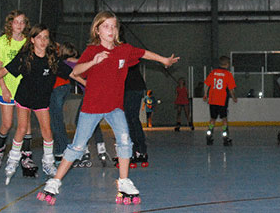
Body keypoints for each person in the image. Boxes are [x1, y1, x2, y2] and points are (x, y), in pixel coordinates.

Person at [38, 11, 179, 205]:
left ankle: (124, 181)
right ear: (97, 30)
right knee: (77, 147)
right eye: (106, 26)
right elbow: (76, 71)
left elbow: (143, 53)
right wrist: (93, 62)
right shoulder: (91, 51)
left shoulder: (124, 50)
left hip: (114, 107)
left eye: (113, 26)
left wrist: (163, 60)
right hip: (92, 107)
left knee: (125, 142)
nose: (111, 30)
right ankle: (54, 183)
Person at [0, 24, 66, 184]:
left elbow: (71, 72)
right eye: (39, 37)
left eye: (45, 38)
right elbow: (3, 69)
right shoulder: (19, 53)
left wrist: (88, 83)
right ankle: (9, 159)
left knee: (44, 130)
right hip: (21, 95)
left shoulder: (50, 57)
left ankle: (45, 162)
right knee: (17, 127)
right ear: (32, 39)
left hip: (39, 98)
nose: (42, 41)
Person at [0, 10, 35, 177]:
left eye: (22, 22)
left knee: (25, 124)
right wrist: (4, 87)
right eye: (16, 22)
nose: (19, 25)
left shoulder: (27, 43)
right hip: (7, 88)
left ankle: (27, 156)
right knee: (7, 124)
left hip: (24, 88)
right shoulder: (3, 41)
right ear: (10, 24)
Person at [61, 42, 109, 168]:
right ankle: (101, 148)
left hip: (90, 93)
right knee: (93, 122)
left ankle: (84, 151)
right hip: (98, 92)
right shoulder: (81, 61)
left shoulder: (66, 64)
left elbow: (75, 75)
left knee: (80, 121)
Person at [204, 56, 237, 146]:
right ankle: (225, 137)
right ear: (227, 64)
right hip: (222, 100)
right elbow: (231, 89)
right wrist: (234, 97)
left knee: (212, 119)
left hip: (213, 100)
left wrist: (205, 95)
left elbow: (207, 85)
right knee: (224, 119)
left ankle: (209, 134)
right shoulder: (228, 74)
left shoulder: (213, 72)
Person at [123, 63, 150, 168]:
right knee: (133, 119)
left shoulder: (123, 52)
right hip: (135, 86)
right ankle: (141, 150)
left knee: (130, 119)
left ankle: (135, 150)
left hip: (130, 87)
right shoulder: (129, 52)